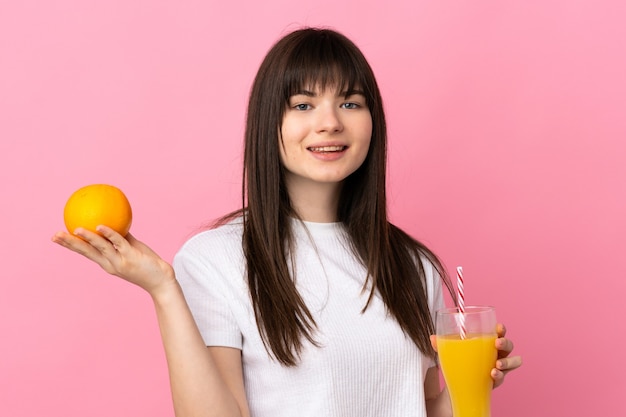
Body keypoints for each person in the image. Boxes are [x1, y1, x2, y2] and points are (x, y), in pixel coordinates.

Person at [52, 27, 522, 417]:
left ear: (373, 122)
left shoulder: (413, 264)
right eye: (302, 105)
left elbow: (413, 408)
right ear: (268, 122)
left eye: (351, 103)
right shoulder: (216, 259)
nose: (330, 123)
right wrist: (163, 289)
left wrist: (470, 383)